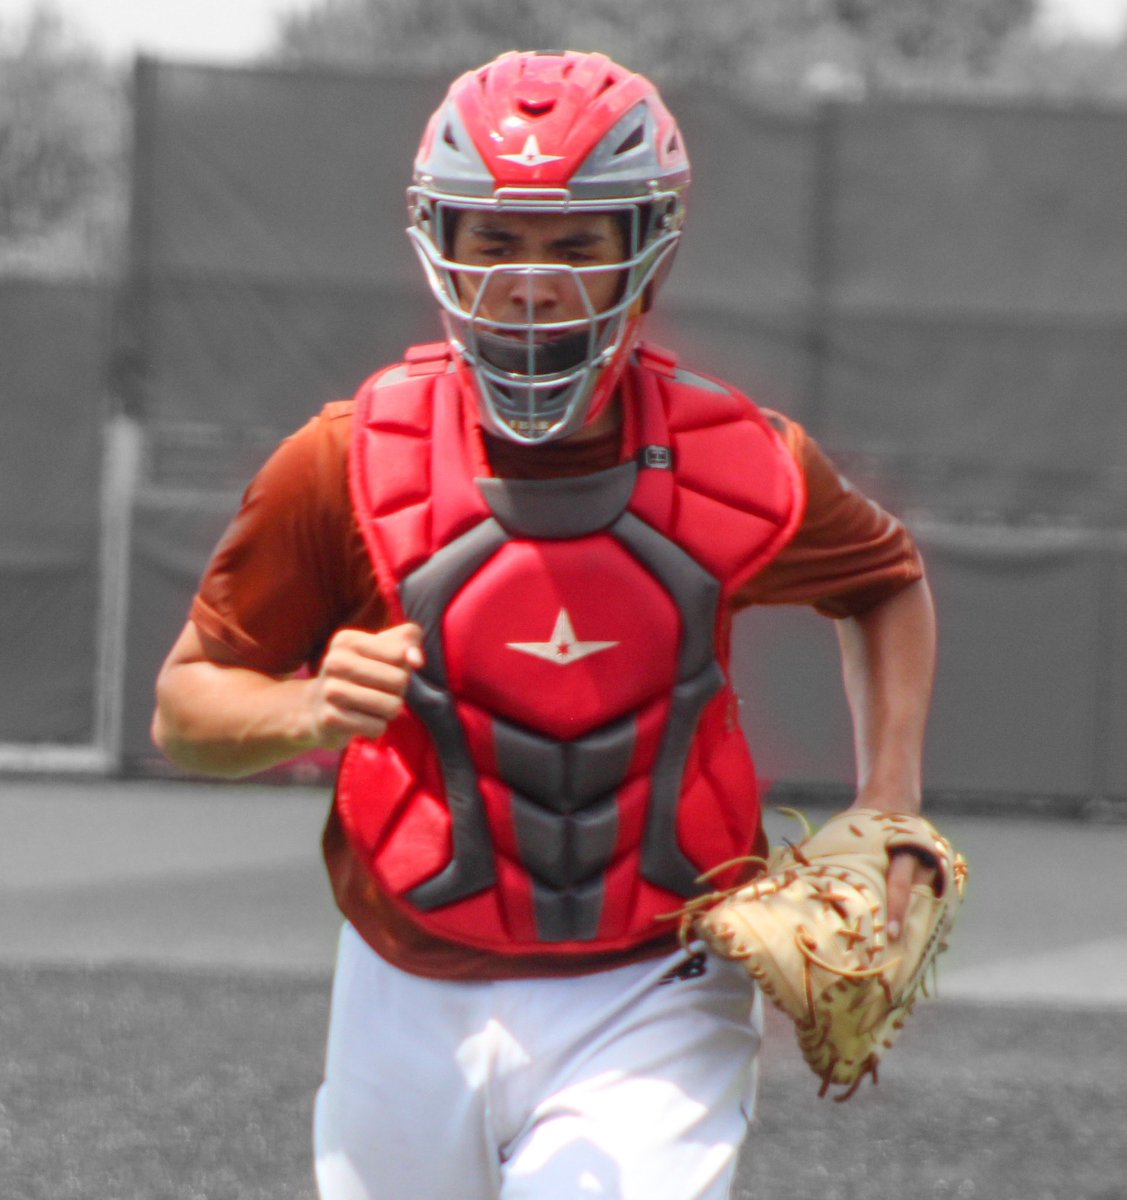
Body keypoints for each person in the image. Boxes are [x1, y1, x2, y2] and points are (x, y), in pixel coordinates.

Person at [152, 49, 936, 1200]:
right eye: (495, 239)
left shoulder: (740, 463)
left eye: (576, 243)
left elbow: (883, 581)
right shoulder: (341, 461)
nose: (531, 280)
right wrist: (305, 706)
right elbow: (185, 710)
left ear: (647, 243)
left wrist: (890, 805)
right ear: (439, 242)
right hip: (403, 975)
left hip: (657, 980)